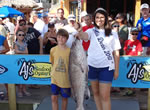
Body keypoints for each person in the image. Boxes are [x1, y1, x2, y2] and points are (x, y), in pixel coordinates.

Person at [76, 8, 121, 110]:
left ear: (105, 18)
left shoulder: (113, 33)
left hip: (107, 68)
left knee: (105, 96)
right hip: (92, 66)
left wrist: (117, 70)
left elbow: (116, 53)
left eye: (102, 17)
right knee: (95, 94)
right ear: (94, 19)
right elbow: (83, 36)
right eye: (97, 17)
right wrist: (79, 29)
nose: (99, 19)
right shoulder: (91, 31)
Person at [50, 29, 71, 110]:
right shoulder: (53, 50)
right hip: (54, 78)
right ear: (56, 37)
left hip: (66, 80)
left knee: (64, 98)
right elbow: (52, 63)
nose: (61, 39)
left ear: (67, 39)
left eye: (63, 37)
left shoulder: (70, 51)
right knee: (53, 98)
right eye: (59, 37)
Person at [123, 27, 143, 96]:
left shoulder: (138, 42)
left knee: (133, 76)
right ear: (130, 34)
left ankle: (131, 89)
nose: (134, 35)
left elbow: (139, 53)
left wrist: (137, 59)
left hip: (135, 62)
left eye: (136, 34)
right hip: (127, 61)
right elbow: (125, 51)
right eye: (133, 33)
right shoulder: (127, 42)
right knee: (127, 75)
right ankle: (129, 89)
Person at [14, 30, 31, 97]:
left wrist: (21, 52)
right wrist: (22, 52)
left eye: (23, 35)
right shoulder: (15, 43)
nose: (21, 36)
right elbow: (16, 51)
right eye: (20, 35)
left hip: (24, 62)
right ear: (17, 36)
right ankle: (19, 90)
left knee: (24, 76)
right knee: (19, 77)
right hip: (18, 62)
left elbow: (27, 52)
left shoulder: (25, 43)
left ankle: (24, 89)